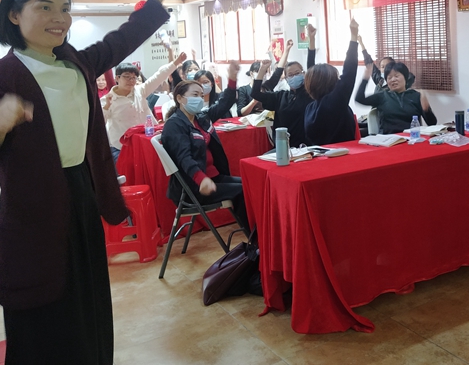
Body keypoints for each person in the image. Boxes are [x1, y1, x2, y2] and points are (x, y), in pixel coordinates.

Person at [0, 0, 171, 364]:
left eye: (65, 9)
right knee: (42, 314)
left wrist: (156, 0)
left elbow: (120, 41)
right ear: (13, 14)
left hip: (82, 194)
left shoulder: (76, 64)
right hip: (33, 211)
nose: (59, 18)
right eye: (45, 7)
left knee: (88, 305)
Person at [160, 65, 249, 232]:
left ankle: (257, 236)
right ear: (179, 98)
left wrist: (232, 78)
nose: (200, 99)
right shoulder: (174, 125)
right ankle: (255, 239)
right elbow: (184, 158)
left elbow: (224, 103)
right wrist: (201, 179)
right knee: (242, 191)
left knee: (250, 185)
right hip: (194, 186)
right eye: (195, 95)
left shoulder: (201, 118)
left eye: (201, 95)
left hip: (213, 177)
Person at [103, 51, 186, 165]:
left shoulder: (141, 90)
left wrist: (175, 63)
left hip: (145, 142)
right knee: (125, 173)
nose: (131, 81)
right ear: (117, 78)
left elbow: (158, 76)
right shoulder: (107, 99)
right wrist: (107, 106)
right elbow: (99, 123)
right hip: (120, 146)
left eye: (134, 77)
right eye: (127, 77)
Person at [251, 27, 317, 148]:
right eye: (290, 75)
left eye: (297, 73)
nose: (294, 76)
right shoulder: (281, 96)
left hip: (306, 147)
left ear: (304, 74)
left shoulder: (310, 94)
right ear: (285, 78)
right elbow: (255, 94)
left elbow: (311, 66)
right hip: (283, 147)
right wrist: (262, 70)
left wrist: (311, 40)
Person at [304, 18, 359, 145]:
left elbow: (312, 74)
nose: (339, 80)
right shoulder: (333, 103)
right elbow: (349, 72)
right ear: (330, 82)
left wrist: (311, 41)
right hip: (341, 154)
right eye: (337, 77)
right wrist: (353, 37)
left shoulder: (311, 107)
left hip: (318, 154)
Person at [355, 60, 436, 134]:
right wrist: (365, 80)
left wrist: (426, 110)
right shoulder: (382, 96)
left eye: (396, 76)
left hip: (411, 138)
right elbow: (359, 99)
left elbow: (432, 123)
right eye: (389, 78)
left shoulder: (416, 96)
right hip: (388, 139)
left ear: (405, 77)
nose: (393, 80)